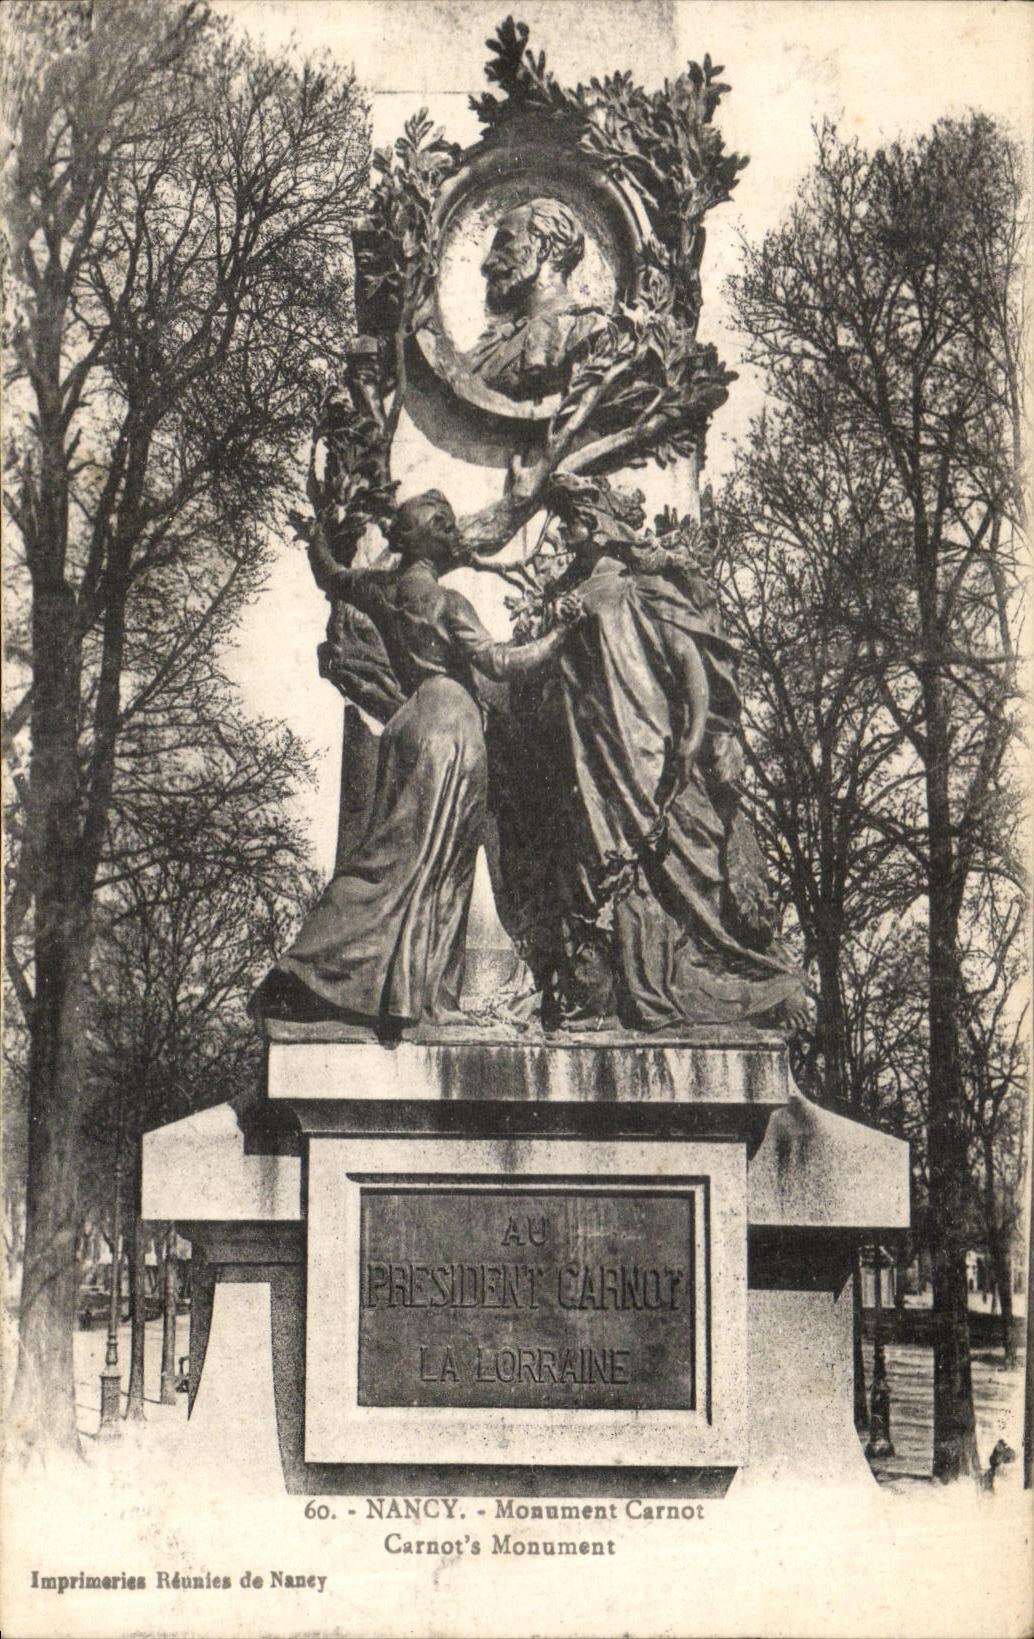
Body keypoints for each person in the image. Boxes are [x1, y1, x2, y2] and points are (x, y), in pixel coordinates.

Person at [488, 475, 810, 1034]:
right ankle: (602, 991)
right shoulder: (566, 602)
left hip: (648, 758)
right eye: (564, 519)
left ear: (603, 527)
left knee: (679, 877)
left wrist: (690, 740)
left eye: (576, 519)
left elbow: (690, 663)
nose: (565, 530)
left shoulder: (638, 590)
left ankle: (719, 983)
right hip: (591, 767)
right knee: (593, 875)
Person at [255, 490, 581, 1031]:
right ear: (427, 536)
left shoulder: (379, 587)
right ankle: (400, 991)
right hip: (452, 728)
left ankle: (376, 985)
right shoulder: (448, 604)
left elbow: (330, 574)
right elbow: (502, 662)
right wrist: (561, 634)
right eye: (446, 526)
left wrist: (316, 528)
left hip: (409, 722)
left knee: (390, 856)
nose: (456, 535)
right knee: (445, 868)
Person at [466, 199, 605, 401]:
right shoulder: (494, 343)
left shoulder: (589, 332)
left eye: (504, 244)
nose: (487, 264)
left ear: (543, 248)